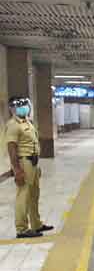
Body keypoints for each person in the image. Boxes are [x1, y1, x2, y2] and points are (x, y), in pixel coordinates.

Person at [5, 97, 53, 239]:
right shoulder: (13, 125)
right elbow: (11, 148)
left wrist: (37, 166)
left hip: (33, 163)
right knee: (23, 196)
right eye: (20, 106)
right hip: (23, 163)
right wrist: (17, 170)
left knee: (34, 195)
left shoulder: (27, 122)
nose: (24, 108)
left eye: (25, 105)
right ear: (12, 108)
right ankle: (22, 229)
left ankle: (36, 224)